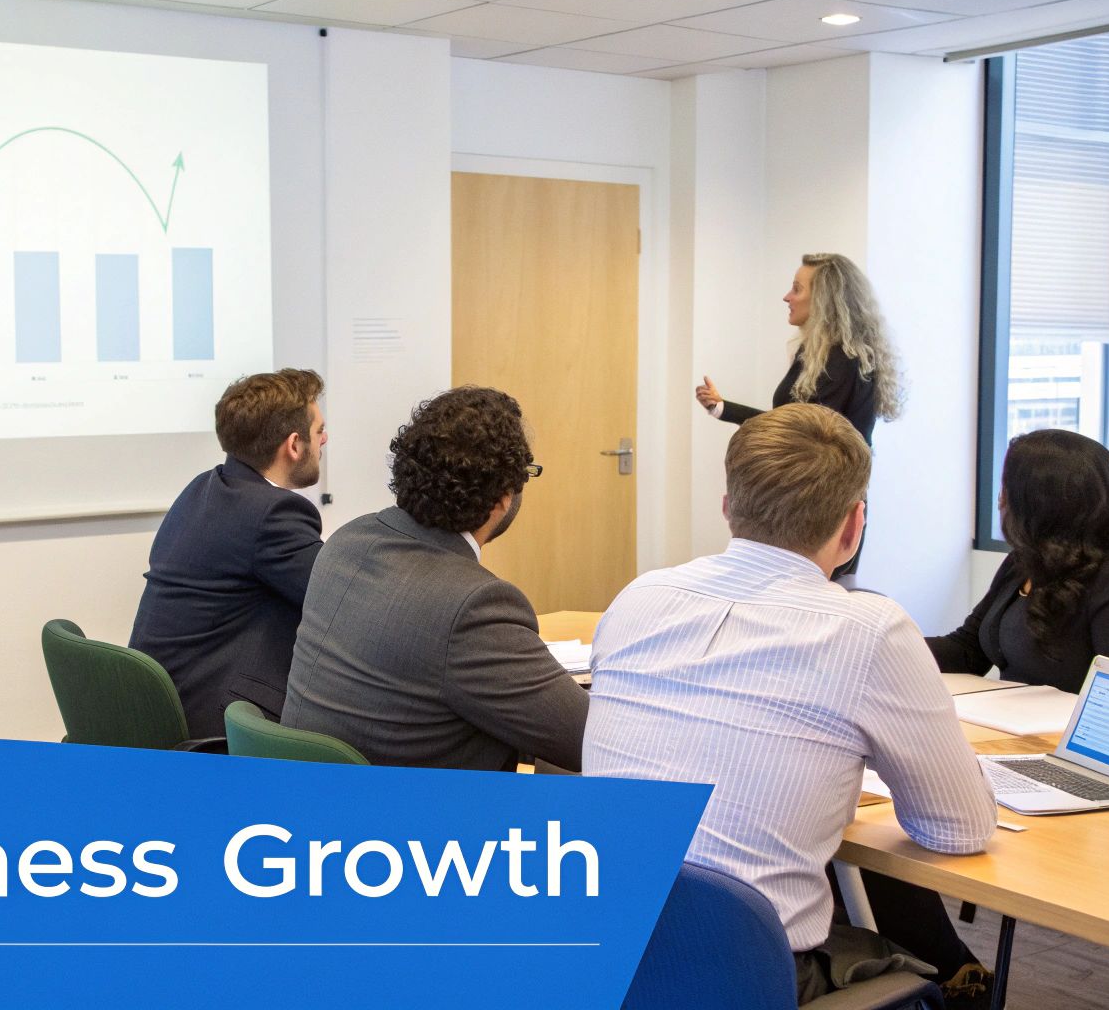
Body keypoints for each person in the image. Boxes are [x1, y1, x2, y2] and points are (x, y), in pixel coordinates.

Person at [583, 404, 995, 1006]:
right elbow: (959, 829)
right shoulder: (869, 631)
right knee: (947, 981)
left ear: (729, 506)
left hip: (606, 959)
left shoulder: (639, 597)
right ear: (854, 526)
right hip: (747, 976)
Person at [279, 386, 588, 772]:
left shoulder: (347, 541)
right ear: (504, 497)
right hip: (413, 820)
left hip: (315, 799)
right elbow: (587, 739)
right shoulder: (473, 606)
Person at [928, 428, 1109, 691]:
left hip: (1089, 740)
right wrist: (890, 644)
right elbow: (966, 652)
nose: (1000, 500)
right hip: (1028, 730)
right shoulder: (1025, 563)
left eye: (1007, 489)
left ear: (1039, 504)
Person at [128, 369, 326, 736]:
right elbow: (340, 600)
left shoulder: (205, 487)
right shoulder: (273, 513)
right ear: (294, 445)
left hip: (165, 703)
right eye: (319, 432)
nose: (325, 440)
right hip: (214, 720)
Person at [695, 253, 902, 578]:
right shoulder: (818, 353)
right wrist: (724, 408)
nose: (786, 297)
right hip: (810, 503)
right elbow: (792, 425)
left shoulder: (843, 360)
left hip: (822, 510)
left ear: (823, 299)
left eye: (796, 289)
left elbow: (807, 439)